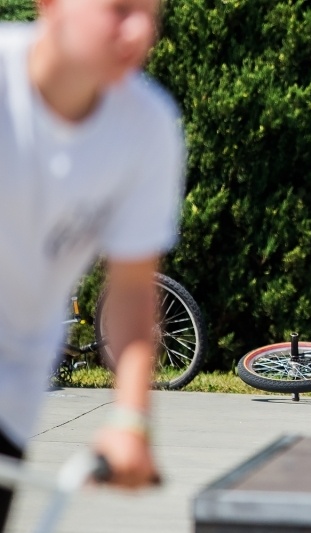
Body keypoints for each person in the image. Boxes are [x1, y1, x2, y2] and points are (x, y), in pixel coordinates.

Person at [0, 0, 185, 529]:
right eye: (121, 8)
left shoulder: (148, 128)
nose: (140, 30)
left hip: (10, 397)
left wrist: (130, 421)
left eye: (152, 13)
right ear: (49, 5)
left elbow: (130, 288)